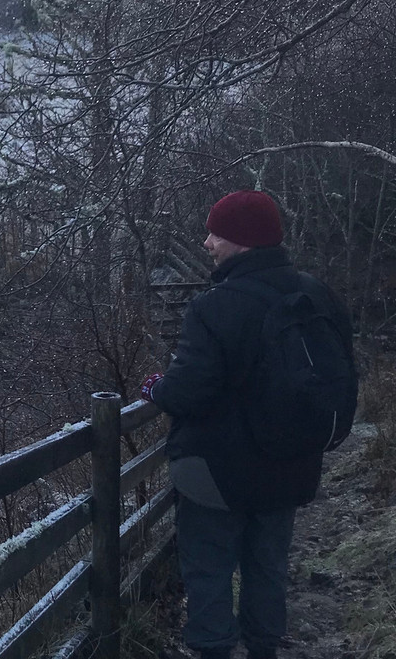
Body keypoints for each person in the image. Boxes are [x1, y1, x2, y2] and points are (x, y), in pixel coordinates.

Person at [138, 190, 355, 659]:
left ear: (242, 241)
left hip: (218, 474)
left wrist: (155, 388)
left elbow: (186, 391)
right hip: (292, 463)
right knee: (268, 566)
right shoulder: (317, 294)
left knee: (209, 568)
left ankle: (214, 650)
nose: (207, 242)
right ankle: (263, 648)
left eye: (215, 233)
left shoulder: (214, 307)